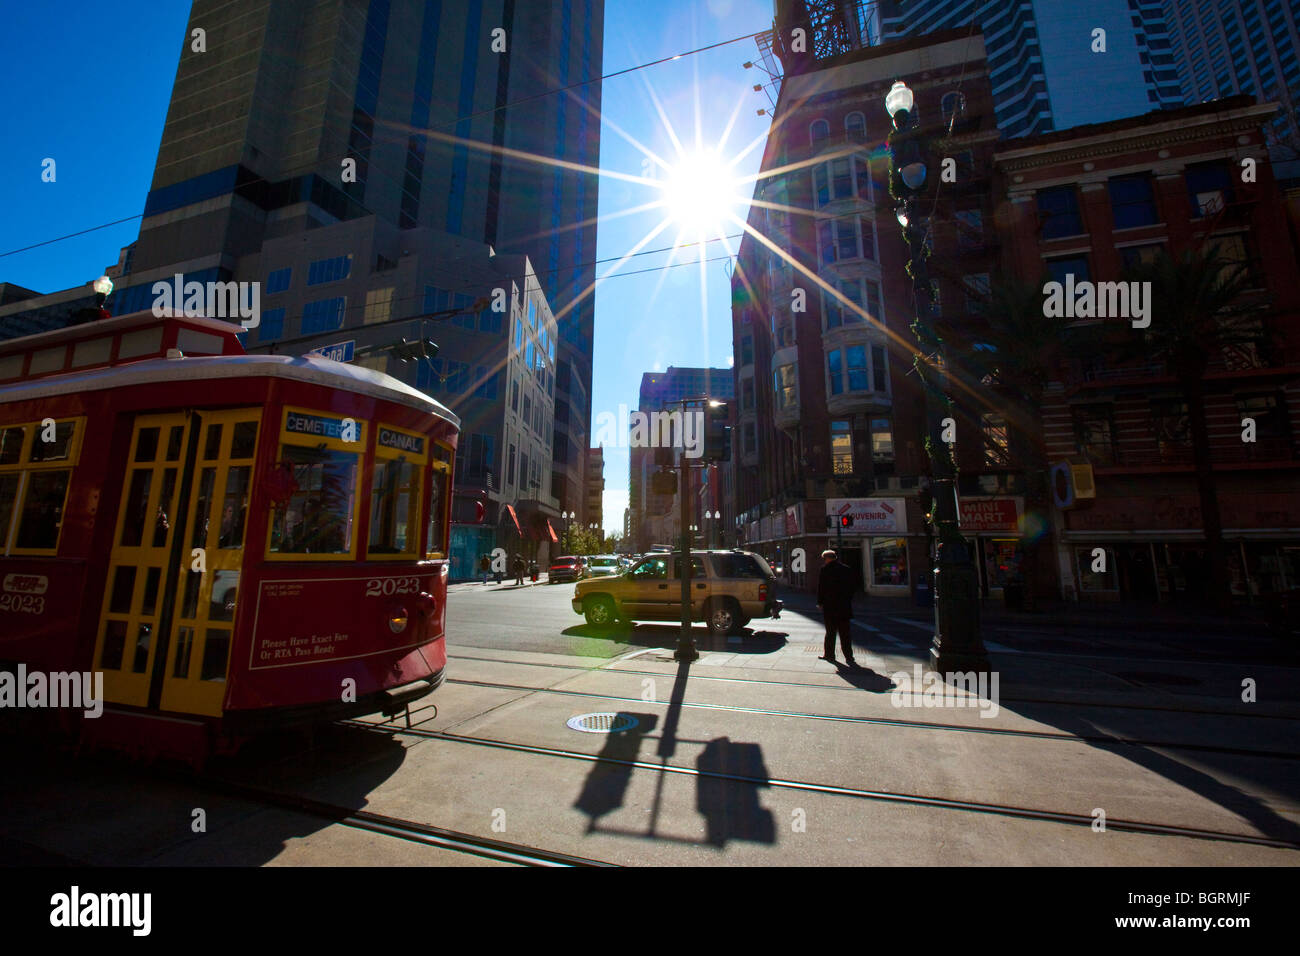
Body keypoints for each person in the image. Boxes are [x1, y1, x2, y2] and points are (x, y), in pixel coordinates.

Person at [816, 549, 858, 667]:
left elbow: (821, 587)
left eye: (824, 559)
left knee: (830, 632)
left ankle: (829, 654)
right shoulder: (846, 569)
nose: (824, 561)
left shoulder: (825, 570)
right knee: (845, 633)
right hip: (844, 606)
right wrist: (848, 599)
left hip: (830, 605)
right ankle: (849, 656)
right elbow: (852, 586)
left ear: (827, 558)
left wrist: (820, 602)